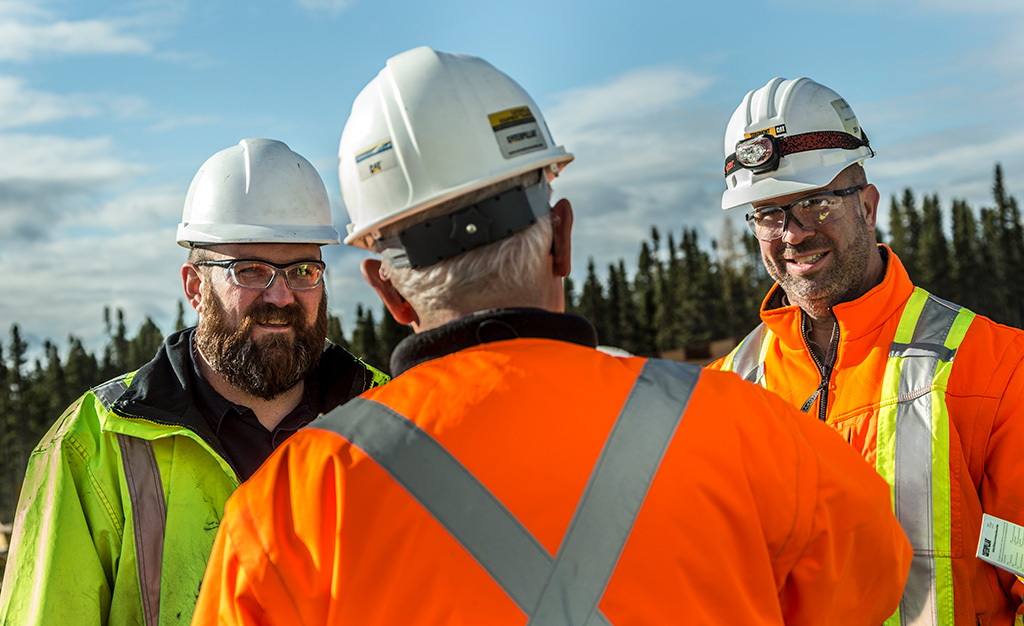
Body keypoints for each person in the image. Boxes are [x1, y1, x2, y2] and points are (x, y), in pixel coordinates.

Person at [192, 48, 911, 625]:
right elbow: (872, 576)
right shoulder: (746, 430)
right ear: (560, 238)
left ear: (389, 292)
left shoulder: (293, 505)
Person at [0, 138, 388, 626]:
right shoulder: (94, 446)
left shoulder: (386, 418)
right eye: (251, 270)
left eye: (303, 270)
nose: (283, 295)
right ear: (194, 288)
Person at [709, 77, 1024, 624]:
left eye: (816, 201)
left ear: (869, 206)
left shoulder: (993, 367)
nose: (793, 234)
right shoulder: (726, 393)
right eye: (767, 213)